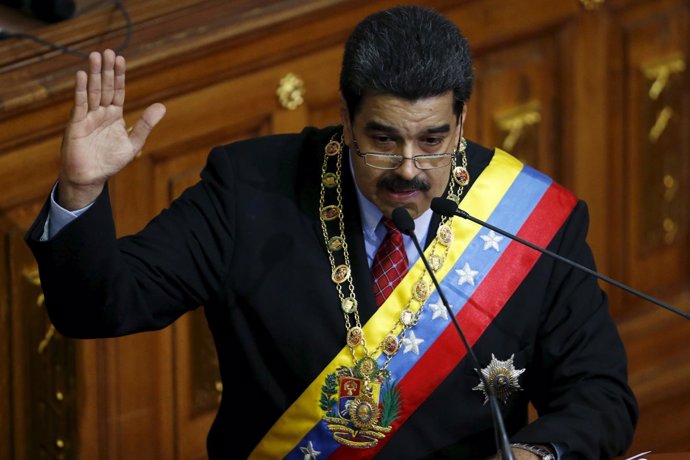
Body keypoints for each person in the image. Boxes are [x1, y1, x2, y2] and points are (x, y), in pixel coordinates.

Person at [25, 5, 637, 459]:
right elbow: (98, 309)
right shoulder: (249, 190)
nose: (408, 169)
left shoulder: (527, 221)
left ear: (462, 121)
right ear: (345, 118)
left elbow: (600, 396)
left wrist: (534, 456)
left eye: (433, 141)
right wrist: (81, 191)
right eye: (382, 139)